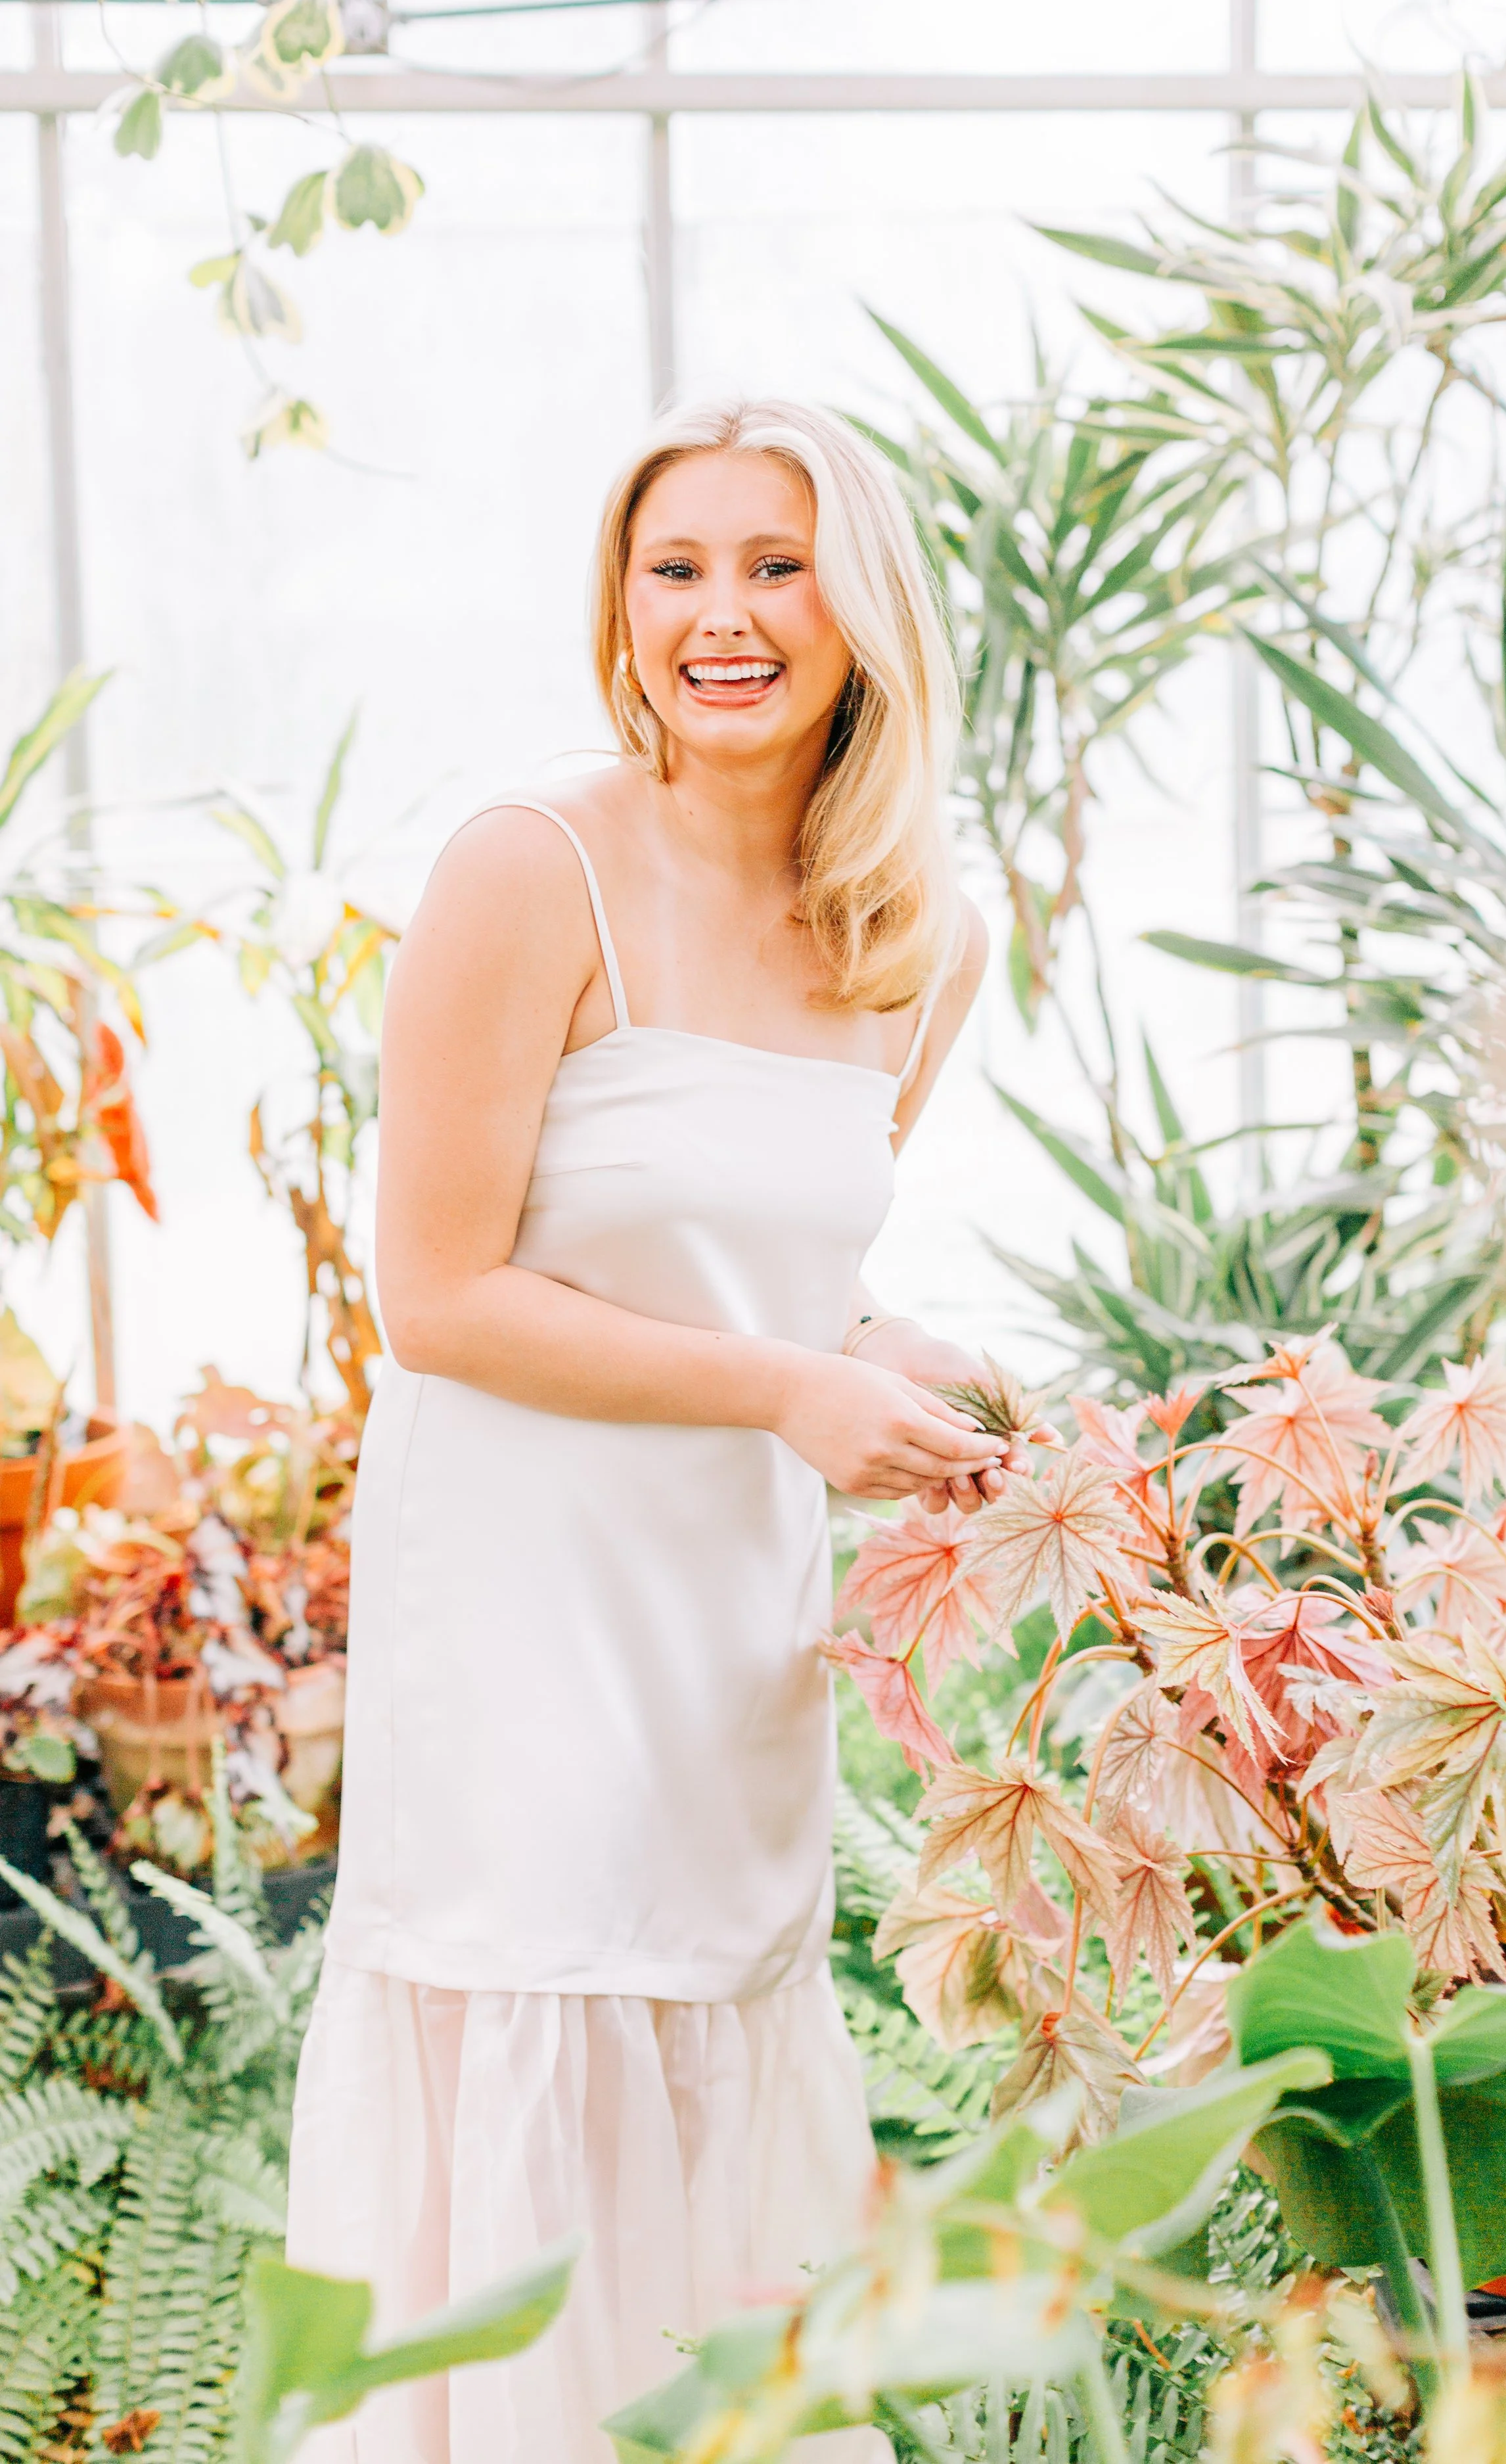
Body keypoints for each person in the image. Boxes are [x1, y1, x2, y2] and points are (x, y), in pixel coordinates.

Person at [286, 398, 1014, 2463]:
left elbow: (776, 1283)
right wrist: (792, 1387)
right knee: (541, 2009)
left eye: (776, 566)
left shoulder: (917, 937)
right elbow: (439, 1297)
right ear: (618, 605)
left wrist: (906, 1364)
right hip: (518, 1605)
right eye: (674, 566)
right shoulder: (533, 867)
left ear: (863, 607)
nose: (721, 615)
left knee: (715, 2022)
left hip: (727, 1626)